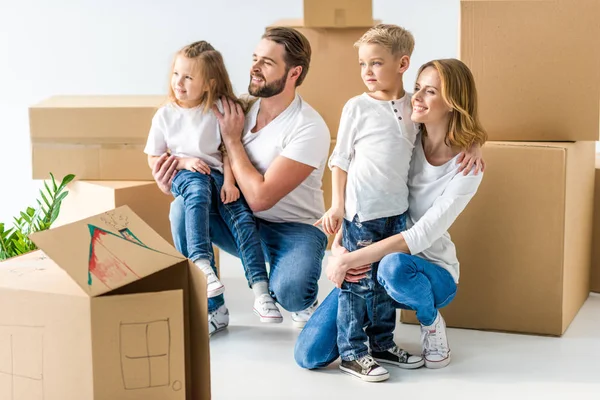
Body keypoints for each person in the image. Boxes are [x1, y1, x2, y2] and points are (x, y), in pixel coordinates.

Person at [295, 58, 487, 377]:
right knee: (310, 354)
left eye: (430, 92)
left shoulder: (467, 167)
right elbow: (365, 187)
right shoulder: (405, 137)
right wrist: (343, 245)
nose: (417, 98)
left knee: (394, 265)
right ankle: (375, 339)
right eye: (417, 89)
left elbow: (420, 237)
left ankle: (430, 321)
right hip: (373, 257)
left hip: (431, 274)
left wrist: (346, 261)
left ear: (453, 103)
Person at [152, 27, 331, 336]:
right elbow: (193, 153)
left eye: (268, 63)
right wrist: (168, 176)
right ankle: (214, 308)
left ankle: (299, 296)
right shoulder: (238, 108)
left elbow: (261, 197)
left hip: (295, 230)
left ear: (294, 73)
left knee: (290, 292)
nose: (255, 68)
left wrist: (234, 141)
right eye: (254, 58)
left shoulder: (309, 127)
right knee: (181, 208)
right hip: (241, 221)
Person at [144, 41, 272, 320]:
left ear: (208, 84)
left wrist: (229, 183)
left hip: (216, 176)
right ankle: (203, 265)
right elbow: (154, 158)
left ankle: (261, 291)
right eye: (177, 74)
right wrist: (182, 162)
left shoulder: (217, 111)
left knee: (241, 216)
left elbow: (227, 149)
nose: (179, 82)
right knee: (197, 190)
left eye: (188, 77)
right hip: (185, 175)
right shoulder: (166, 114)